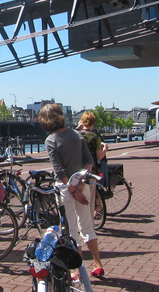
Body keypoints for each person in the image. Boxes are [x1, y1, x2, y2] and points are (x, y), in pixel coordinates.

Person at [38, 103, 105, 278]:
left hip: (66, 186)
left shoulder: (51, 140)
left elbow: (58, 169)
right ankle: (97, 263)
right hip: (82, 181)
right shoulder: (76, 135)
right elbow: (89, 161)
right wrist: (82, 185)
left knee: (71, 229)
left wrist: (73, 190)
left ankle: (77, 269)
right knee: (87, 225)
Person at [77, 112, 108, 191]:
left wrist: (78, 128)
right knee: (92, 196)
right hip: (91, 170)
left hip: (77, 169)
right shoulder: (95, 137)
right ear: (93, 122)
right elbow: (99, 156)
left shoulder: (77, 135)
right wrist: (105, 149)